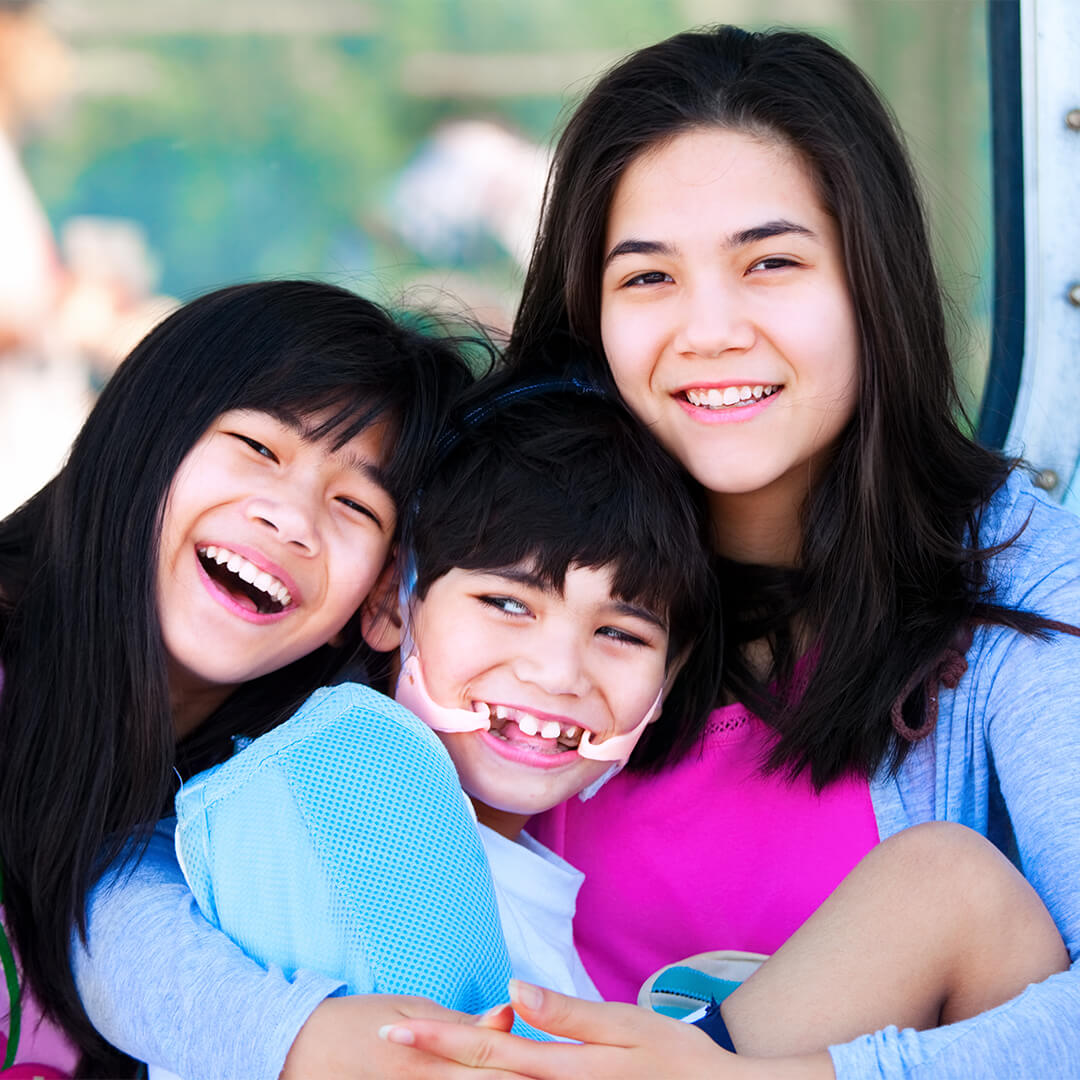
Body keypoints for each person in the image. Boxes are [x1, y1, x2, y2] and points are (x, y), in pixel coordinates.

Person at [377, 23, 1080, 1079]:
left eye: (771, 264)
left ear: (870, 284)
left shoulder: (1019, 582)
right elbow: (132, 850)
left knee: (948, 882)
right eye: (649, 279)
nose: (710, 330)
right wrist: (290, 1036)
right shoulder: (480, 542)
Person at [154, 384, 714, 1074]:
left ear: (668, 682)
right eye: (507, 602)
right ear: (391, 603)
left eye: (621, 634)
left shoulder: (524, 892)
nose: (558, 672)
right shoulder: (353, 786)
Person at [0, 279, 474, 1076]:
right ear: (141, 430)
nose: (291, 519)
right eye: (259, 447)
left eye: (356, 505)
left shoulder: (274, 811)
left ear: (383, 594)